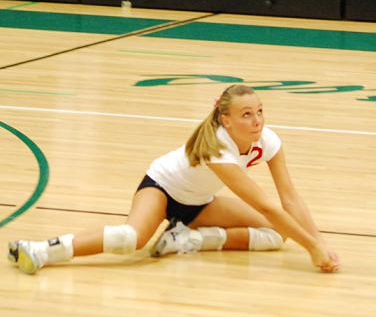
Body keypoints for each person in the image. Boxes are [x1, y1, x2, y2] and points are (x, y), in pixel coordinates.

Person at [8, 84, 340, 275]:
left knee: (277, 233)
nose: (257, 120)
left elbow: (290, 199)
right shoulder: (218, 149)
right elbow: (265, 204)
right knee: (131, 239)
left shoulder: (268, 140)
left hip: (198, 204)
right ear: (225, 120)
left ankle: (186, 240)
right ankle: (40, 251)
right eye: (246, 114)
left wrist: (319, 242)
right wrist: (311, 248)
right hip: (162, 190)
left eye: (260, 111)